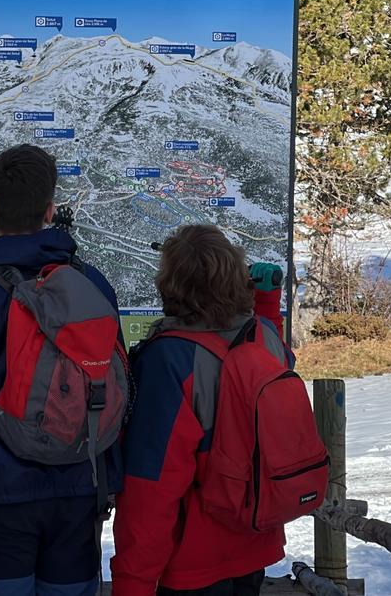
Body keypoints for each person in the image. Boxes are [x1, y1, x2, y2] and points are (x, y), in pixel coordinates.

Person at [0, 143, 123, 596]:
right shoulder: (91, 283)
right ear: (50, 208)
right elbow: (112, 380)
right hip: (79, 487)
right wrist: (106, 475)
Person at [111, 225, 291, 596]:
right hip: (253, 543)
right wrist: (266, 304)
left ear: (171, 283)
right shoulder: (263, 338)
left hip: (191, 563)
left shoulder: (170, 361)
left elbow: (152, 486)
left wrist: (133, 584)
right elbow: (279, 354)